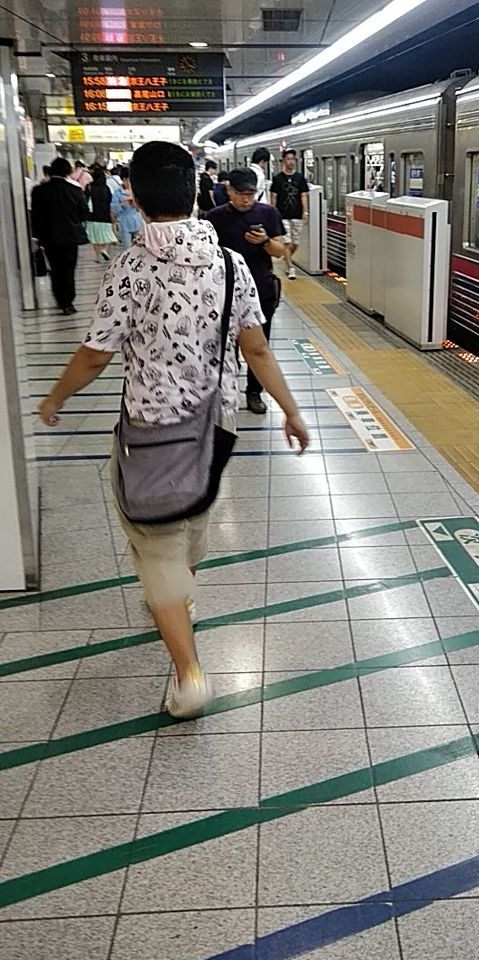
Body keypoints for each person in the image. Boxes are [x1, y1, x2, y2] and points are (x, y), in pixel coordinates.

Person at [38, 141, 309, 718]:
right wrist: (290, 408)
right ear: (195, 194)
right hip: (216, 420)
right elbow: (255, 348)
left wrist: (55, 396)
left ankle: (189, 673)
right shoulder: (231, 266)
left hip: (151, 428)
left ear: (134, 194)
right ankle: (174, 597)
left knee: (154, 537)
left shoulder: (129, 267)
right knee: (192, 514)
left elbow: (94, 356)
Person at [206, 167, 286, 415]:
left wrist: (264, 242)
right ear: (228, 190)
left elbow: (280, 251)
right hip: (223, 292)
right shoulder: (213, 217)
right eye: (241, 194)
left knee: (259, 346)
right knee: (223, 345)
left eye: (251, 194)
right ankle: (224, 390)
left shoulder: (268, 213)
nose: (246, 200)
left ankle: (254, 392)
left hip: (261, 290)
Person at [30, 156, 88, 315]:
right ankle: (68, 301)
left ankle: (61, 299)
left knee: (55, 269)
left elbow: (35, 215)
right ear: (68, 172)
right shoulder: (75, 190)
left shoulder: (38, 191)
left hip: (49, 238)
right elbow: (83, 214)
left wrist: (36, 236)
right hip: (71, 237)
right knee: (69, 268)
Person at [270, 148, 309, 280]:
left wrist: (305, 212)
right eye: (288, 159)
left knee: (295, 243)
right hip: (282, 215)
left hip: (297, 214)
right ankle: (290, 267)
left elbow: (304, 196)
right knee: (286, 242)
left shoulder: (300, 178)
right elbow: (273, 197)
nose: (291, 162)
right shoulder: (277, 179)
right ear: (283, 161)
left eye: (293, 159)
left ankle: (286, 259)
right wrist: (273, 213)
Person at [86, 165, 116, 262]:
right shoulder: (106, 188)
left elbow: (85, 200)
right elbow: (110, 201)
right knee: (105, 236)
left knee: (95, 238)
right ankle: (104, 250)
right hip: (105, 216)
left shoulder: (89, 187)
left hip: (92, 216)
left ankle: (97, 257)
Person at [111, 165, 143, 248]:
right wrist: (122, 204)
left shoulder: (136, 190)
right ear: (123, 179)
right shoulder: (117, 192)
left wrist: (136, 204)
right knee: (127, 249)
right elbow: (114, 208)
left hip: (138, 222)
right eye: (127, 180)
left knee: (139, 248)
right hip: (124, 223)